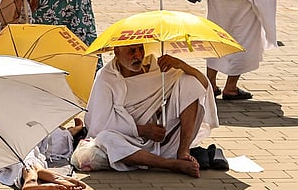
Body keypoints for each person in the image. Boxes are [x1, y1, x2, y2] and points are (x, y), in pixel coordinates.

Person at [81, 44, 218, 177]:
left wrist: (181, 65)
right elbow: (99, 126)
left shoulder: (157, 67)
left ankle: (183, 152)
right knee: (105, 138)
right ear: (117, 52)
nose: (138, 56)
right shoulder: (106, 77)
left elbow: (203, 84)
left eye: (141, 49)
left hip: (160, 139)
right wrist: (143, 130)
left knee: (190, 81)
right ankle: (171, 164)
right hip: (127, 140)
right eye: (132, 51)